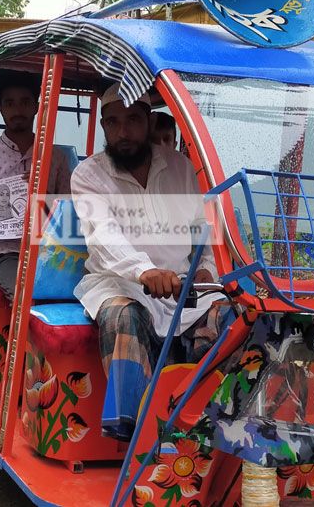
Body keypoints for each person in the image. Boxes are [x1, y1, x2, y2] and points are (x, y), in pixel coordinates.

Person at [71, 84, 224, 441]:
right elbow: (103, 236)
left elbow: (205, 230)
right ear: (104, 126)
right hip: (117, 284)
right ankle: (135, 432)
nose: (123, 133)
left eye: (133, 121)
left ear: (148, 120)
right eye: (113, 123)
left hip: (184, 287)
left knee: (228, 318)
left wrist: (207, 269)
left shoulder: (181, 168)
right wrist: (144, 271)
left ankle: (212, 420)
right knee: (122, 316)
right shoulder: (89, 175)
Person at [0, 70, 73, 298]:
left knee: (79, 295)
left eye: (25, 102)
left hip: (52, 250)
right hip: (7, 252)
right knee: (25, 297)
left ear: (36, 107)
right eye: (10, 103)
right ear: (1, 109)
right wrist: (7, 226)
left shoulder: (55, 157)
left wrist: (43, 196)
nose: (18, 110)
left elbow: (68, 212)